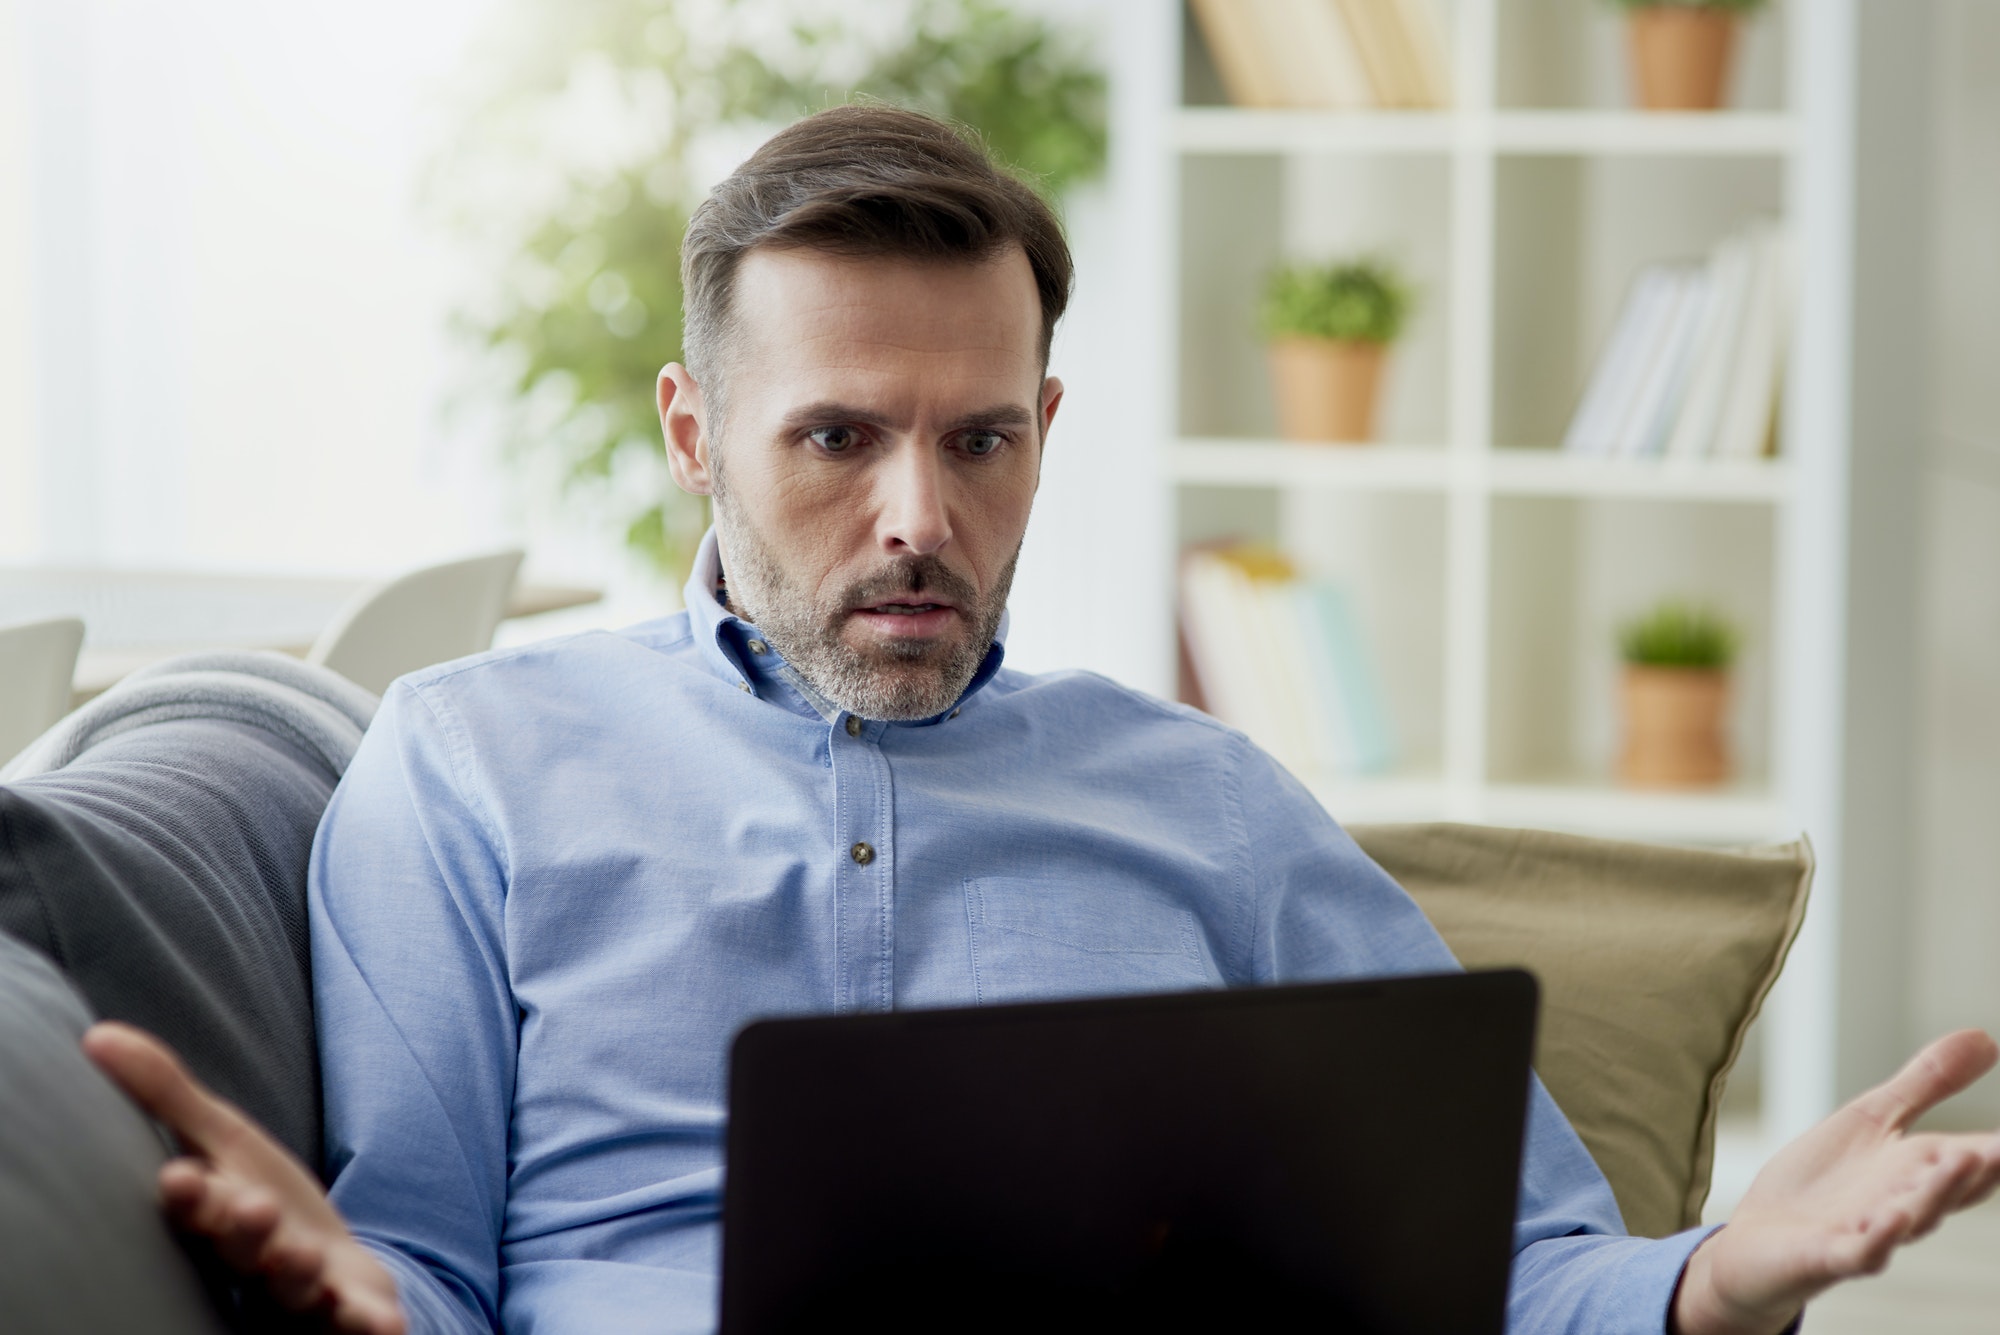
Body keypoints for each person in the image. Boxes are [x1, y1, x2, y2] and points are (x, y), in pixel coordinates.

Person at [86, 105, 2000, 1335]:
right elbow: (417, 1255)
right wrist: (358, 1307)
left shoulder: (1212, 803)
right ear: (694, 436)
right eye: (835, 437)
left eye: (980, 440)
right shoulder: (466, 762)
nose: (920, 515)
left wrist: (1719, 1280)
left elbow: (1526, 1256)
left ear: (1045, 435)